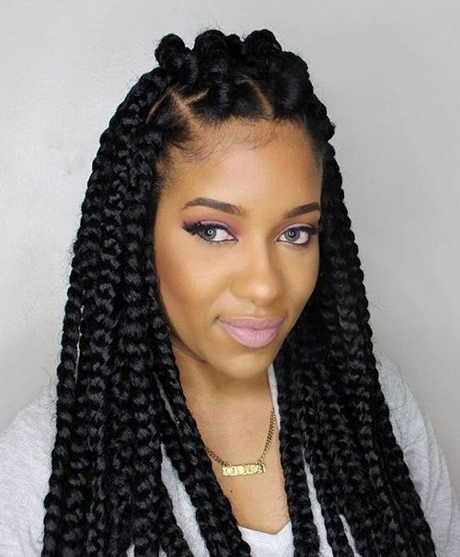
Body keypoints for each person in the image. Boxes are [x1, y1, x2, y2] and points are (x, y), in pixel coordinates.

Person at [0, 29, 459, 557]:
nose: (264, 285)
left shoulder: (375, 405)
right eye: (214, 231)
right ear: (136, 234)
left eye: (295, 233)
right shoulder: (51, 460)